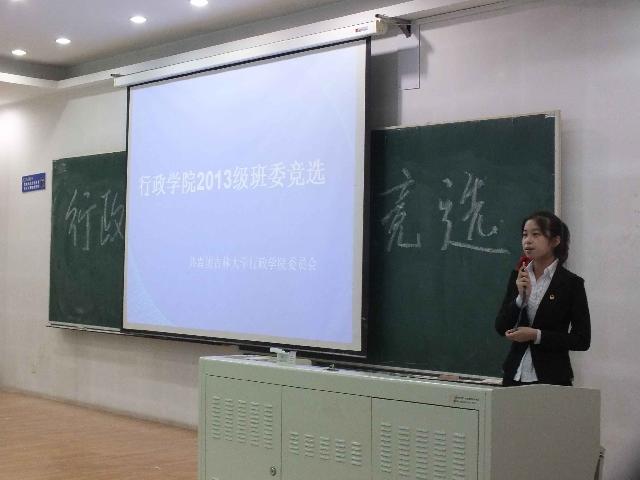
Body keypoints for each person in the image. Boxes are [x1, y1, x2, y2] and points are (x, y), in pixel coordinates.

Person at [495, 211, 590, 386]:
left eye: (536, 234)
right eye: (525, 234)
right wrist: (520, 299)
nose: (528, 240)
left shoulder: (571, 284)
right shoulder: (519, 276)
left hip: (552, 377)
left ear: (555, 241)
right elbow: (501, 327)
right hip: (514, 376)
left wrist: (536, 335)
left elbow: (582, 340)